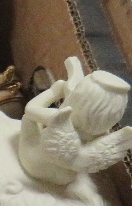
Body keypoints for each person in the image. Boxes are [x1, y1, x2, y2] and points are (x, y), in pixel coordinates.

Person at [19, 56, 132, 186]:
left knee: (29, 119)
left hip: (34, 164)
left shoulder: (57, 118)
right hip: (64, 178)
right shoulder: (101, 132)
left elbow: (30, 109)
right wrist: (74, 68)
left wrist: (53, 91)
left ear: (78, 97)